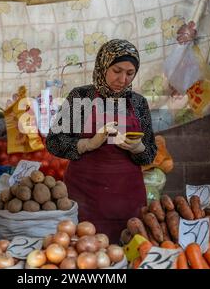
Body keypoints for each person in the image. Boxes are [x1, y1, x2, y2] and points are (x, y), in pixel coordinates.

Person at [46, 39, 157, 243]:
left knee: (128, 251)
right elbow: (54, 142)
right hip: (84, 196)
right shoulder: (82, 97)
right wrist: (87, 144)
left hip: (127, 197)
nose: (123, 79)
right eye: (117, 70)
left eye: (130, 73)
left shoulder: (138, 103)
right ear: (103, 65)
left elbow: (150, 153)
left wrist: (139, 148)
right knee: (83, 252)